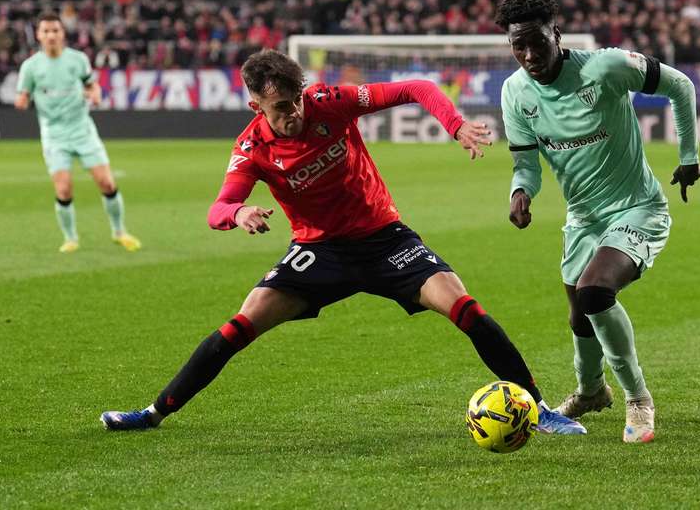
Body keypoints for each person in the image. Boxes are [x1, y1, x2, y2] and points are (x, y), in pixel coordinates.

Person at [100, 49, 585, 435]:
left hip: (386, 240)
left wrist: (455, 125)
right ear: (255, 107)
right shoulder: (251, 149)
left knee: (466, 309)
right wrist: (238, 212)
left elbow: (416, 87)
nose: (294, 112)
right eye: (281, 107)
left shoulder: (328, 101)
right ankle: (153, 413)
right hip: (320, 253)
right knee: (238, 328)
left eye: (296, 100)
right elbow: (217, 208)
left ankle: (539, 409)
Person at [494, 0, 700, 443]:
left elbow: (681, 86)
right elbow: (526, 164)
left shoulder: (605, 67)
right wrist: (520, 191)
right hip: (583, 219)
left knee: (594, 291)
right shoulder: (514, 92)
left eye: (537, 42)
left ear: (556, 34)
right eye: (518, 46)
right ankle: (591, 391)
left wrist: (689, 157)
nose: (529, 56)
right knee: (579, 317)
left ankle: (638, 399)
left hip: (637, 207)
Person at [14, 12, 141, 253]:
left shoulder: (78, 59)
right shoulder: (30, 67)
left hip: (83, 130)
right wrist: (22, 101)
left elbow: (91, 84)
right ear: (38, 35)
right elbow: (22, 97)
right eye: (46, 31)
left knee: (107, 183)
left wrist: (95, 94)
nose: (51, 35)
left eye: (55, 30)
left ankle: (119, 232)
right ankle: (70, 238)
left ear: (63, 33)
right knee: (63, 189)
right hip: (54, 135)